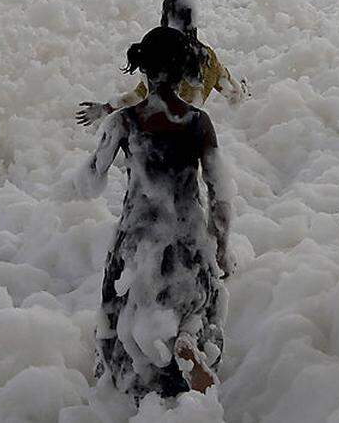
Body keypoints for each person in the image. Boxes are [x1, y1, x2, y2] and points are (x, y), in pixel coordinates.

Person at [74, 26, 234, 401]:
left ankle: (115, 380)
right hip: (187, 236)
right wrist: (222, 244)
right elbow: (219, 191)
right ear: (184, 72)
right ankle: (187, 343)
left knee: (118, 316)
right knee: (195, 309)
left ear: (143, 69)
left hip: (137, 238)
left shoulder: (125, 122)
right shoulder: (198, 122)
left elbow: (91, 179)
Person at [76, 0, 248, 126]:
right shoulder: (208, 57)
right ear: (192, 20)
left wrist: (106, 108)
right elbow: (232, 92)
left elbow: (140, 94)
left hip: (152, 130)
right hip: (189, 131)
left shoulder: (158, 50)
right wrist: (241, 90)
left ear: (165, 17)